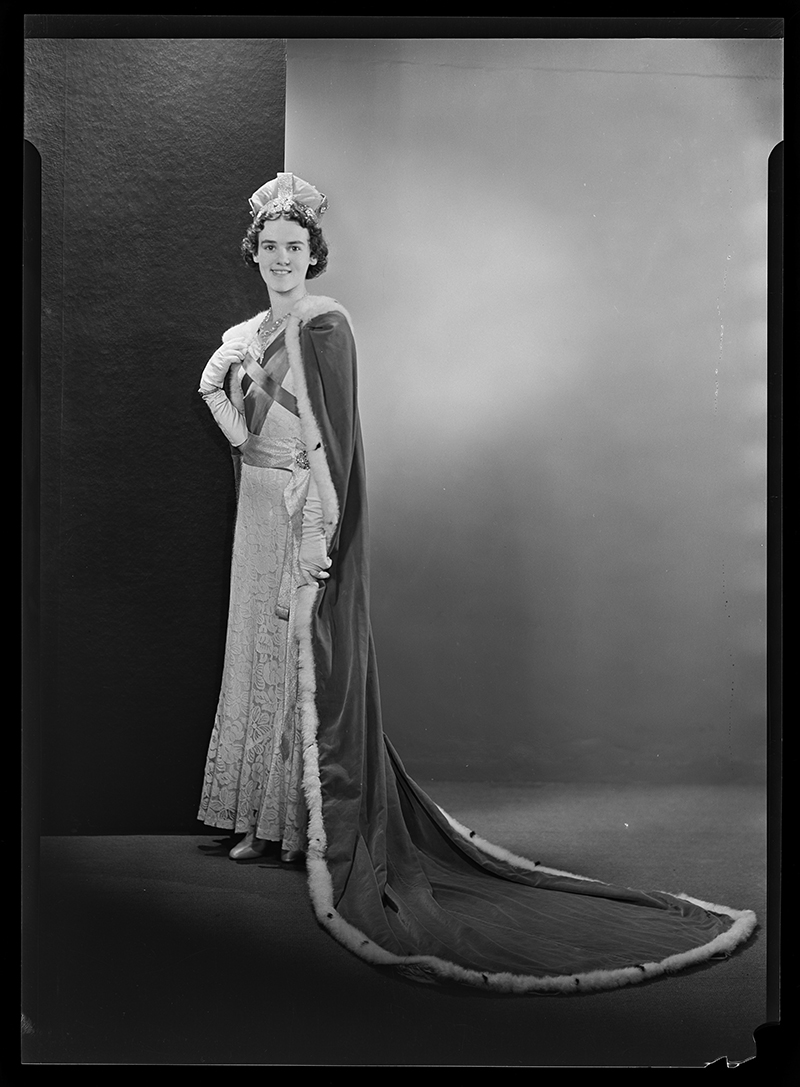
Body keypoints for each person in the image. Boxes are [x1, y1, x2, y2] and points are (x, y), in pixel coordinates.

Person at [197, 172, 756, 993]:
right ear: (255, 255)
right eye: (269, 249)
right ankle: (254, 820)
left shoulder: (326, 325)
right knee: (255, 653)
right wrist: (247, 444)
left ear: (312, 255)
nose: (281, 260)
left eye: (294, 248)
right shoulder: (244, 331)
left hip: (303, 515)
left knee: (303, 659)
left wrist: (319, 528)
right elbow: (215, 388)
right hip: (256, 504)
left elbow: (338, 445)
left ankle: (300, 827)